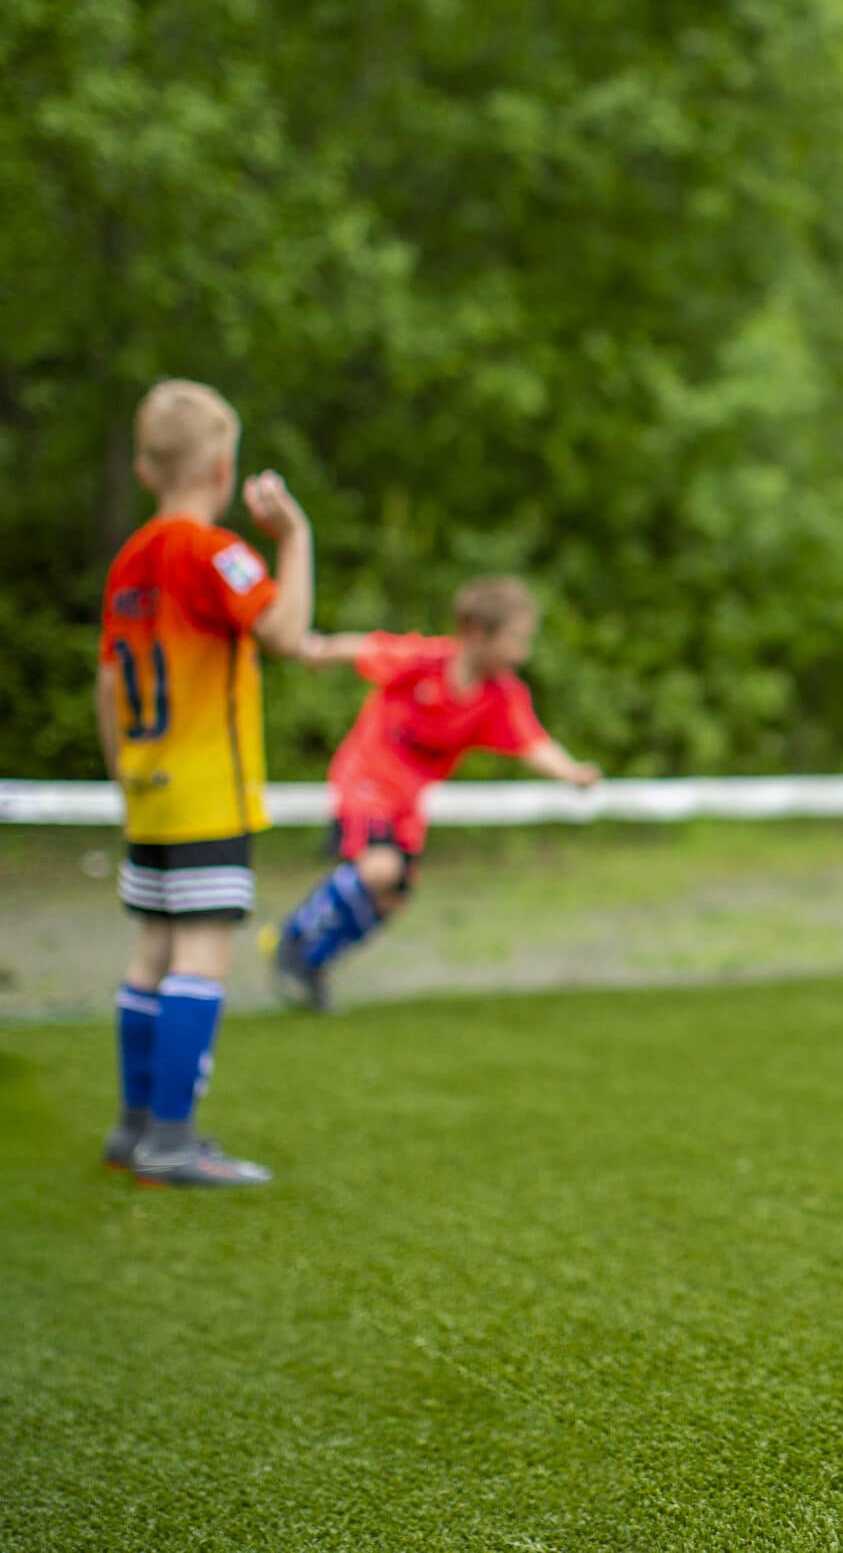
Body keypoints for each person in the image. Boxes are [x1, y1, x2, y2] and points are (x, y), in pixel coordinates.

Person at [98, 379, 316, 1188]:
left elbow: (108, 685)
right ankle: (172, 1140)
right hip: (209, 791)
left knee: (151, 948)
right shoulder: (214, 550)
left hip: (147, 787)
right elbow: (285, 632)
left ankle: (132, 1126)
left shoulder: (129, 558)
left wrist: (122, 773)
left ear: (145, 468)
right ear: (223, 468)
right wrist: (295, 540)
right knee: (200, 953)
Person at [262, 577, 600, 1008]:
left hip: (407, 799)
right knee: (379, 869)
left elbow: (531, 742)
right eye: (516, 639)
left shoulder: (501, 695)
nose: (523, 653)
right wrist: (317, 651)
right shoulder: (425, 662)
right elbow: (366, 648)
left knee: (394, 896)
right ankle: (292, 939)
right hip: (366, 778)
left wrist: (572, 772)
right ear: (478, 632)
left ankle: (312, 965)